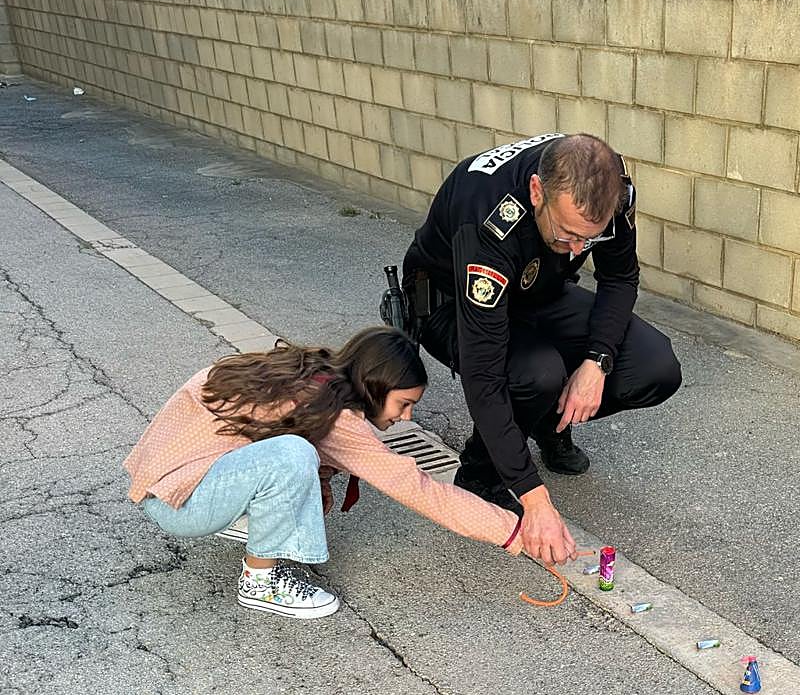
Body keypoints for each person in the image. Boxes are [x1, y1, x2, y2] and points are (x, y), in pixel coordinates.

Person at [401, 132, 683, 567]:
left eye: (587, 240)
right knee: (536, 373)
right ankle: (480, 475)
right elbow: (485, 376)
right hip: (450, 301)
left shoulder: (610, 188)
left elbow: (620, 278)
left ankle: (544, 424)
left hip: (538, 288)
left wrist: (597, 360)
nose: (576, 250)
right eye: (568, 233)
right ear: (537, 192)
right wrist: (535, 499)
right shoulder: (488, 223)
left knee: (653, 365)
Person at [123, 327, 524, 620]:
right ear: (373, 386)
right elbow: (417, 488)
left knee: (293, 454)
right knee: (292, 454)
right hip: (181, 502)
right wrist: (513, 531)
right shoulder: (337, 416)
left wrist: (316, 484)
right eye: (403, 404)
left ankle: (251, 521)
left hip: (167, 480)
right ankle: (261, 583)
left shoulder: (316, 375)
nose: (407, 417)